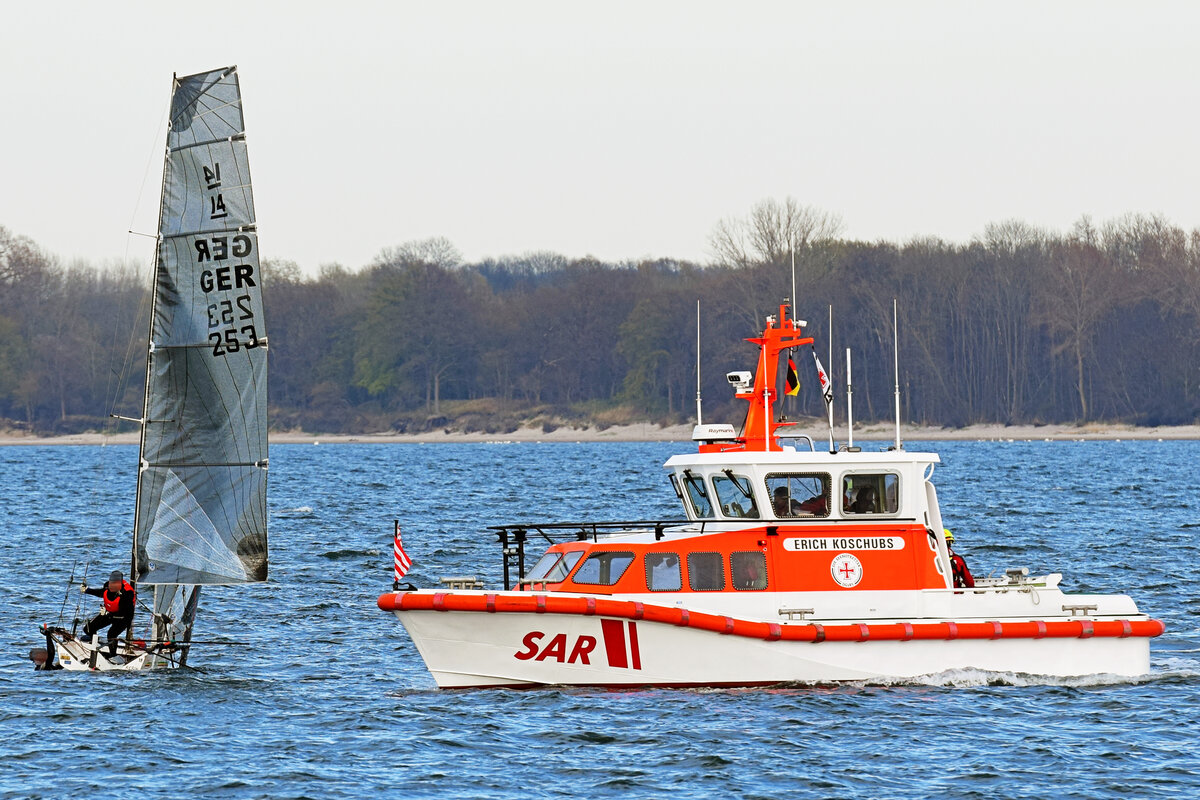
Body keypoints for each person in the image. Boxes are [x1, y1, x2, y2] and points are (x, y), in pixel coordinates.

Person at [81, 571, 136, 657]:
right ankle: (95, 643)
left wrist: (107, 613)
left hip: (124, 617)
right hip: (110, 614)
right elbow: (100, 592)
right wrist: (87, 590)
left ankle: (113, 655)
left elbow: (123, 612)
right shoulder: (108, 588)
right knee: (88, 628)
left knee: (111, 634)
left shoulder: (127, 594)